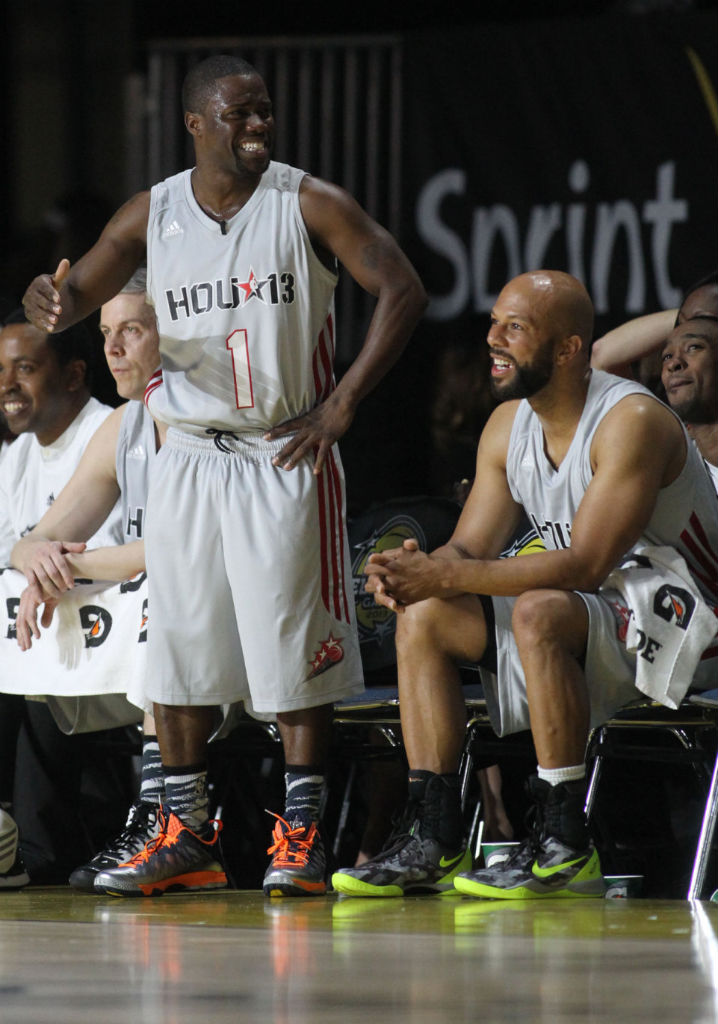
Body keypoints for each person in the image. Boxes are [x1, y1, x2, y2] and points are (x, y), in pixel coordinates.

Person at [22, 54, 427, 898]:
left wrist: (344, 401)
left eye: (266, 114)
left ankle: (303, 834)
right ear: (195, 123)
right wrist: (51, 303)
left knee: (294, 659)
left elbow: (402, 286)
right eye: (240, 115)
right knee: (175, 652)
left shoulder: (306, 202)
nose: (258, 129)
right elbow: (79, 292)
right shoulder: (153, 212)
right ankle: (187, 832)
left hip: (281, 452)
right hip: (186, 456)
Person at [331, 269, 718, 900]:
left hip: (691, 620)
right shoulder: (508, 425)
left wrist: (448, 572)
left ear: (567, 349)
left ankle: (566, 843)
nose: (494, 340)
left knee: (540, 609)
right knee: (424, 616)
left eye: (515, 327)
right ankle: (434, 836)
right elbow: (467, 549)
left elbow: (585, 564)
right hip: (597, 612)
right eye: (493, 323)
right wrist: (413, 575)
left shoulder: (631, 420)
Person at [10, 270, 168, 892]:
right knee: (25, 643)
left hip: (216, 636)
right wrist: (39, 564)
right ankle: (18, 842)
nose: (114, 348)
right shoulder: (123, 425)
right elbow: (34, 538)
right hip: (125, 632)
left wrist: (62, 566)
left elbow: (171, 552)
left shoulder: (197, 420)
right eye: (106, 332)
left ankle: (160, 823)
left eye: (131, 329)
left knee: (162, 605)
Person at [0, 311, 123, 886]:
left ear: (74, 375)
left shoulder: (109, 432)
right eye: (1, 369)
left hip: (116, 641)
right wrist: (29, 554)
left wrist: (36, 558)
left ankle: (36, 851)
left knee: (35, 672)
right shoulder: (18, 452)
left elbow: (114, 549)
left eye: (24, 368)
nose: (7, 385)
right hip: (48, 632)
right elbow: (11, 546)